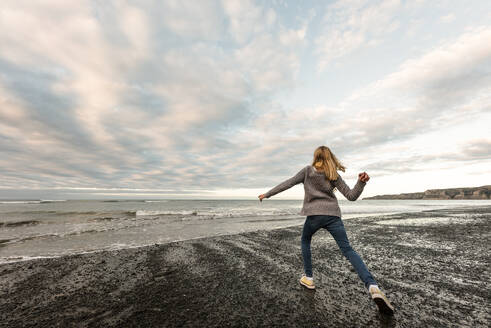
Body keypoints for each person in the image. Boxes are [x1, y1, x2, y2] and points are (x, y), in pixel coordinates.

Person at [258, 145, 394, 315]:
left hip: (314, 216)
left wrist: (267, 194)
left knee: (305, 240)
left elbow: (287, 184)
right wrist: (361, 182)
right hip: (332, 216)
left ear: (315, 157)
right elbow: (351, 196)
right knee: (348, 250)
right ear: (330, 157)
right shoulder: (332, 173)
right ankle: (373, 287)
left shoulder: (307, 171)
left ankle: (308, 278)